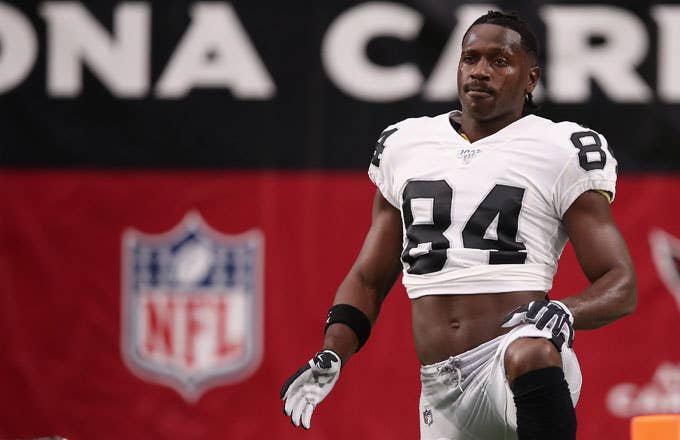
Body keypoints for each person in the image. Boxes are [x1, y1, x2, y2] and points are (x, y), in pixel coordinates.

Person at [280, 10, 637, 440]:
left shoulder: (561, 148)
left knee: (532, 351)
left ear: (531, 79)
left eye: (499, 61)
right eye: (471, 58)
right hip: (440, 385)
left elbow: (621, 283)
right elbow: (368, 279)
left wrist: (566, 312)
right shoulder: (406, 144)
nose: (481, 71)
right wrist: (332, 351)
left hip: (512, 362)